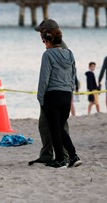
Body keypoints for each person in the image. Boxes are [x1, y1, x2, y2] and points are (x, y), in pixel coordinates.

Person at [37, 26, 82, 168]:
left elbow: (44, 79)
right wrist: (71, 92)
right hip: (66, 95)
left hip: (52, 95)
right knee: (59, 127)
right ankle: (69, 157)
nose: (44, 44)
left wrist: (40, 98)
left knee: (55, 128)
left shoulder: (48, 55)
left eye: (44, 41)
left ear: (49, 41)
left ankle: (65, 158)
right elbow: (73, 75)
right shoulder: (70, 54)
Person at [29, 19, 69, 166]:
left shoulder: (58, 48)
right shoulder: (51, 46)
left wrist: (41, 96)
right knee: (44, 125)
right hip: (53, 92)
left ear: (48, 31)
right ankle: (46, 155)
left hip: (54, 93)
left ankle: (63, 155)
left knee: (60, 125)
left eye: (41, 31)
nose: (39, 34)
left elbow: (50, 75)